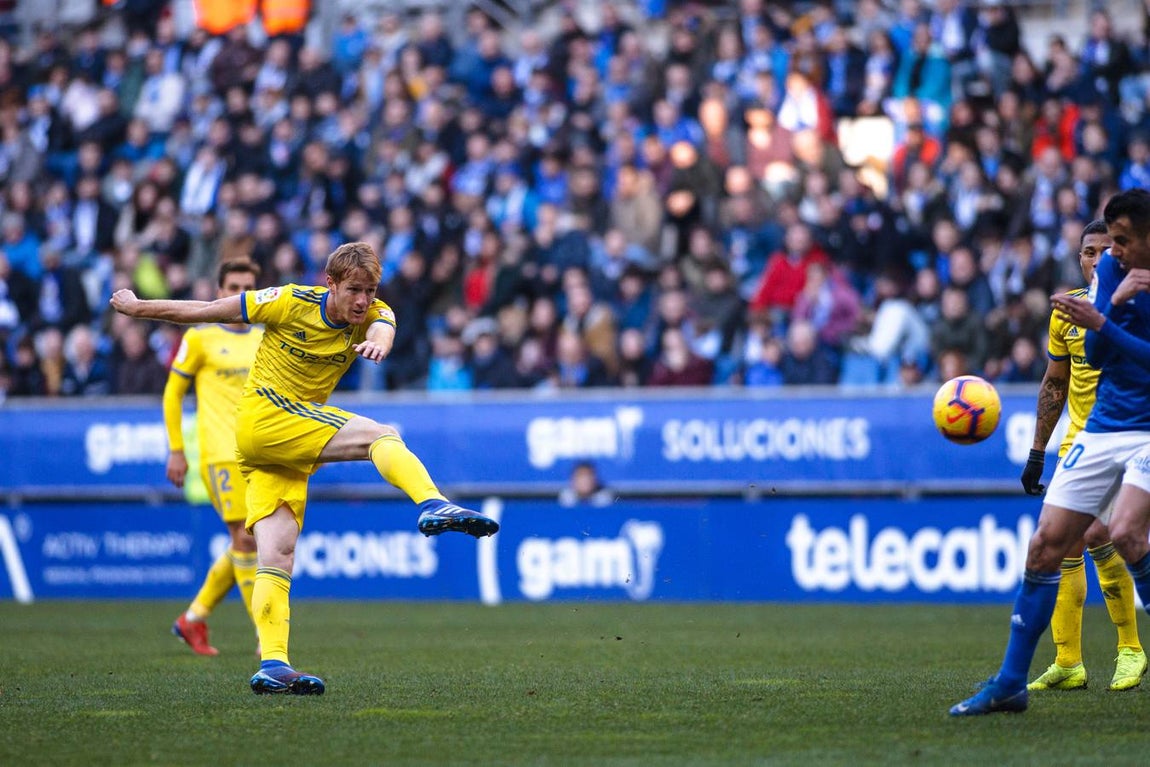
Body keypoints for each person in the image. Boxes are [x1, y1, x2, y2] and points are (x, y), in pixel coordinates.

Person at [112, 241, 499, 696]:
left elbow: (383, 330)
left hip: (276, 447)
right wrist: (138, 308)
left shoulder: (375, 313)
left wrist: (377, 341)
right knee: (380, 435)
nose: (363, 300)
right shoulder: (289, 301)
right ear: (330, 283)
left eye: (370, 290)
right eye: (354, 290)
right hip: (265, 419)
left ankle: (273, 664)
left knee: (276, 554)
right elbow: (207, 310)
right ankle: (433, 503)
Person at [951, 188, 1150, 716]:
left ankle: (1131, 649)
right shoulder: (1108, 278)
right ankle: (1014, 681)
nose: (1110, 254)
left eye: (1121, 242)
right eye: (1101, 247)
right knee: (1046, 545)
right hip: (1100, 429)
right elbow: (1094, 356)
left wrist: (1104, 320)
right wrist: (1110, 305)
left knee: (1123, 533)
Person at [1020, 219, 1146, 692]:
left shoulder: (1138, 301)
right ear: (1079, 258)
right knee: (1060, 543)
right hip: (1081, 440)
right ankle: (1068, 662)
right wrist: (1037, 452)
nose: (1096, 260)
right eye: (1088, 252)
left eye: (1104, 251)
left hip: (1129, 433)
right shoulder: (1067, 313)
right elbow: (1055, 382)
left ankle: (1130, 649)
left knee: (1098, 533)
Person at [164, 259, 264, 657]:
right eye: (233, 287)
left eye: (248, 287)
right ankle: (265, 637)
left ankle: (194, 617)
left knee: (249, 541)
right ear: (219, 292)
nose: (240, 294)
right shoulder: (200, 337)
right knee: (246, 537)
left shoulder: (265, 337)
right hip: (220, 454)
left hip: (261, 453)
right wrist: (176, 448)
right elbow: (173, 393)